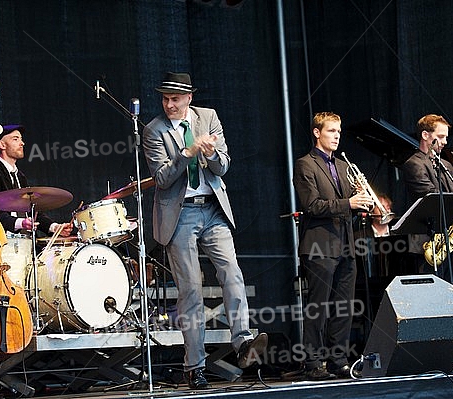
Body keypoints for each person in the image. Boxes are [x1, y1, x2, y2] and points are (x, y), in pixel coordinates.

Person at [142, 72, 267, 389]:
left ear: (189, 99)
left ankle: (244, 344)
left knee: (232, 274)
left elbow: (223, 167)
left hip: (212, 209)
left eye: (175, 99)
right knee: (191, 291)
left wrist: (210, 153)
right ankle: (194, 366)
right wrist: (187, 153)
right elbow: (162, 179)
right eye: (165, 99)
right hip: (180, 213)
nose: (169, 104)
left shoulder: (208, 117)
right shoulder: (153, 130)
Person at [293, 112, 373, 380]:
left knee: (343, 306)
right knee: (318, 306)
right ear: (317, 133)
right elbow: (312, 206)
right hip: (319, 246)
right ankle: (312, 362)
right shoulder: (305, 164)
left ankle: (337, 359)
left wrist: (362, 201)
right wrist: (349, 203)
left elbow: (349, 205)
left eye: (339, 131)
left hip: (346, 245)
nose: (337, 136)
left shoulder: (342, 166)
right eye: (331, 131)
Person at [400, 114, 453, 300]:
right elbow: (430, 196)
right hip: (430, 243)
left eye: (446, 137)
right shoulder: (414, 164)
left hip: (451, 241)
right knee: (433, 300)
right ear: (425, 135)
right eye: (441, 136)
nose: (445, 141)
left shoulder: (445, 164)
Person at [0, 125, 72, 237]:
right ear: (2, 145)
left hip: (26, 242)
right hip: (4, 243)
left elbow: (32, 212)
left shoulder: (20, 176)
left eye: (21, 139)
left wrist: (55, 227)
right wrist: (21, 223)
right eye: (15, 139)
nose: (22, 143)